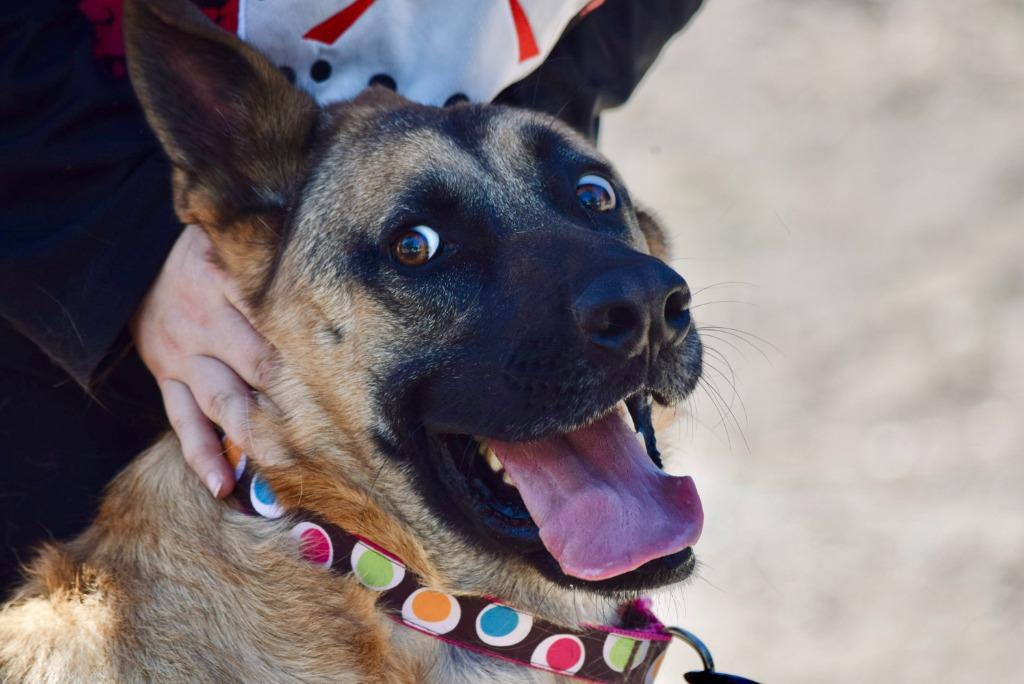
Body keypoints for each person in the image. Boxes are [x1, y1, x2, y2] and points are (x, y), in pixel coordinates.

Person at [0, 0, 704, 595]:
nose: (634, 295)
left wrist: (558, 88)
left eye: (593, 197)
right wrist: (124, 233)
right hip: (62, 231)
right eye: (417, 247)